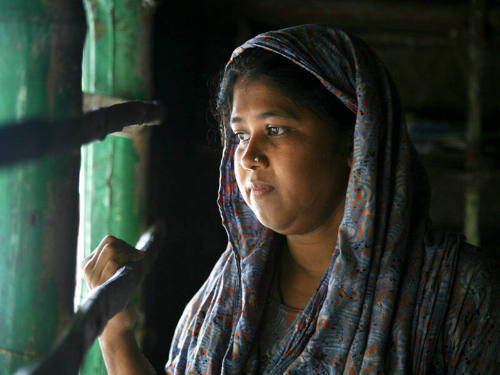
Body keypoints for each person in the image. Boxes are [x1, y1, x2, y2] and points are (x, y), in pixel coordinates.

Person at [82, 24, 499, 374]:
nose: (247, 156)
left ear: (357, 143)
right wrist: (116, 335)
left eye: (276, 129)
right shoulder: (226, 293)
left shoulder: (460, 297)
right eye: (240, 134)